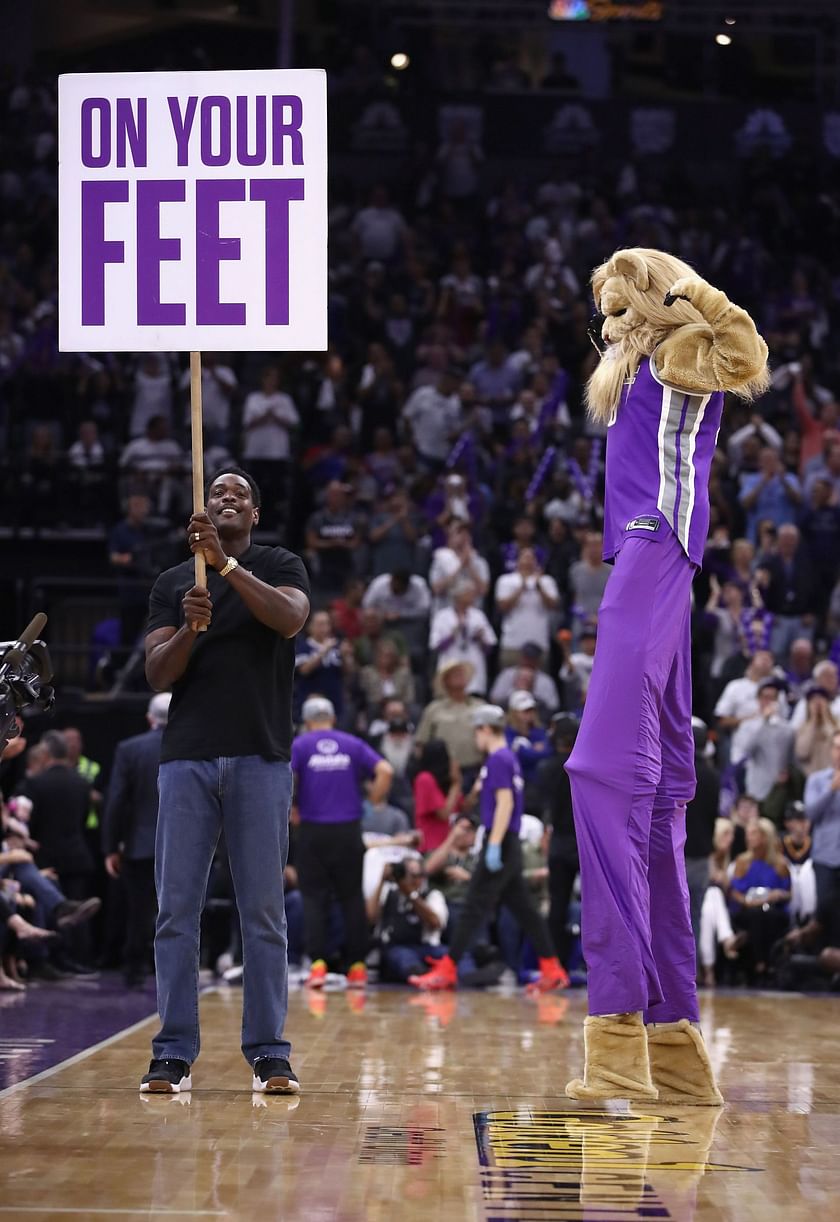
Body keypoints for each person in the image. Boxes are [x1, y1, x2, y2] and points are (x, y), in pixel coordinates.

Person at [564, 248, 768, 1104]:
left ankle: (614, 1031)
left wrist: (689, 291)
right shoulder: (635, 363)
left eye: (619, 305)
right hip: (658, 572)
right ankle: (674, 1044)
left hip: (655, 556)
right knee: (654, 804)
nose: (607, 323)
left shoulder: (684, 348)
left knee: (602, 774)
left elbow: (746, 353)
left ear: (649, 300)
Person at [140, 466, 310, 1095]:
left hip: (260, 756)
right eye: (217, 492)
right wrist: (191, 626)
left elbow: (291, 619)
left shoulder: (280, 562)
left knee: (262, 912)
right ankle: (172, 1051)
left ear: (254, 515)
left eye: (239, 493)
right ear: (201, 509)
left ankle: (269, 1052)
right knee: (175, 912)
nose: (228, 496)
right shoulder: (172, 583)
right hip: (186, 757)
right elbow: (159, 675)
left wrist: (229, 569)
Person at [408, 704, 569, 994]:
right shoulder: (507, 758)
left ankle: (448, 969)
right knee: (524, 909)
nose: (475, 739)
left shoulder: (498, 759)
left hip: (502, 841)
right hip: (507, 841)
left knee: (473, 906)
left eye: (476, 732)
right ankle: (552, 967)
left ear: (484, 729)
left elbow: (505, 803)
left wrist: (493, 844)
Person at [291, 696, 393, 989]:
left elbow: (285, 775)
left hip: (313, 831)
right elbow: (386, 770)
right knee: (351, 897)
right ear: (332, 718)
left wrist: (291, 809)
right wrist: (373, 801)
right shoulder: (351, 744)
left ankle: (319, 966)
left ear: (308, 723)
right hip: (348, 830)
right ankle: (358, 968)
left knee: (313, 898)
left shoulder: (301, 746)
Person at [103, 693, 171, 987]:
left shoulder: (130, 749)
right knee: (179, 908)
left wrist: (111, 845)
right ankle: (172, 969)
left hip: (140, 842)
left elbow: (116, 800)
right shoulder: (191, 748)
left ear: (149, 718)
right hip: (183, 843)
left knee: (139, 908)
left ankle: (134, 967)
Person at [367, 857, 448, 982]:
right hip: (397, 948)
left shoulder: (432, 895)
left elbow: (436, 923)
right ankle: (420, 977)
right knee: (403, 956)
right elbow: (370, 917)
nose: (413, 880)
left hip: (427, 947)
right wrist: (381, 881)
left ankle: (466, 979)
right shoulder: (388, 893)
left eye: (417, 875)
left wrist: (411, 894)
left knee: (453, 956)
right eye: (408, 875)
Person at [729, 818, 792, 979]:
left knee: (768, 917)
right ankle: (762, 963)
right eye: (748, 834)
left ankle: (765, 964)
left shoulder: (780, 864)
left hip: (773, 909)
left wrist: (777, 894)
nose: (748, 837)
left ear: (765, 837)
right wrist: (747, 901)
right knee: (757, 917)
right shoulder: (742, 861)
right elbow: (734, 892)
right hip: (747, 909)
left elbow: (789, 893)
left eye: (754, 834)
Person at [803, 729, 840, 949]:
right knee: (824, 909)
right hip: (825, 855)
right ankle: (822, 961)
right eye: (836, 747)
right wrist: (831, 789)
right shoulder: (817, 780)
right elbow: (811, 813)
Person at [429, 581, 497, 695]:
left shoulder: (478, 615)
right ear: (458, 596)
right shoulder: (442, 616)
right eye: (469, 593)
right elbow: (436, 646)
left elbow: (489, 648)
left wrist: (480, 638)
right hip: (450, 661)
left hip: (474, 663)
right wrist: (453, 635)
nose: (473, 596)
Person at [413, 739, 464, 853]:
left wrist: (475, 790)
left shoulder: (445, 784)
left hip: (449, 846)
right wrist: (456, 784)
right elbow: (443, 814)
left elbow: (463, 807)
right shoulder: (424, 779)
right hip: (431, 847)